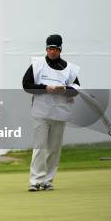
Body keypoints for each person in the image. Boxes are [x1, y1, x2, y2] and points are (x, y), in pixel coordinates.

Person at [22, 34, 80, 192]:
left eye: (55, 49)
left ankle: (47, 180)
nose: (52, 51)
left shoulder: (69, 68)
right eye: (49, 48)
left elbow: (76, 90)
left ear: (60, 49)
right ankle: (35, 181)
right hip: (40, 112)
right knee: (40, 146)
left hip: (60, 113)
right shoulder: (37, 65)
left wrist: (64, 90)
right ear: (46, 49)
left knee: (54, 148)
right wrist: (45, 88)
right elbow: (26, 85)